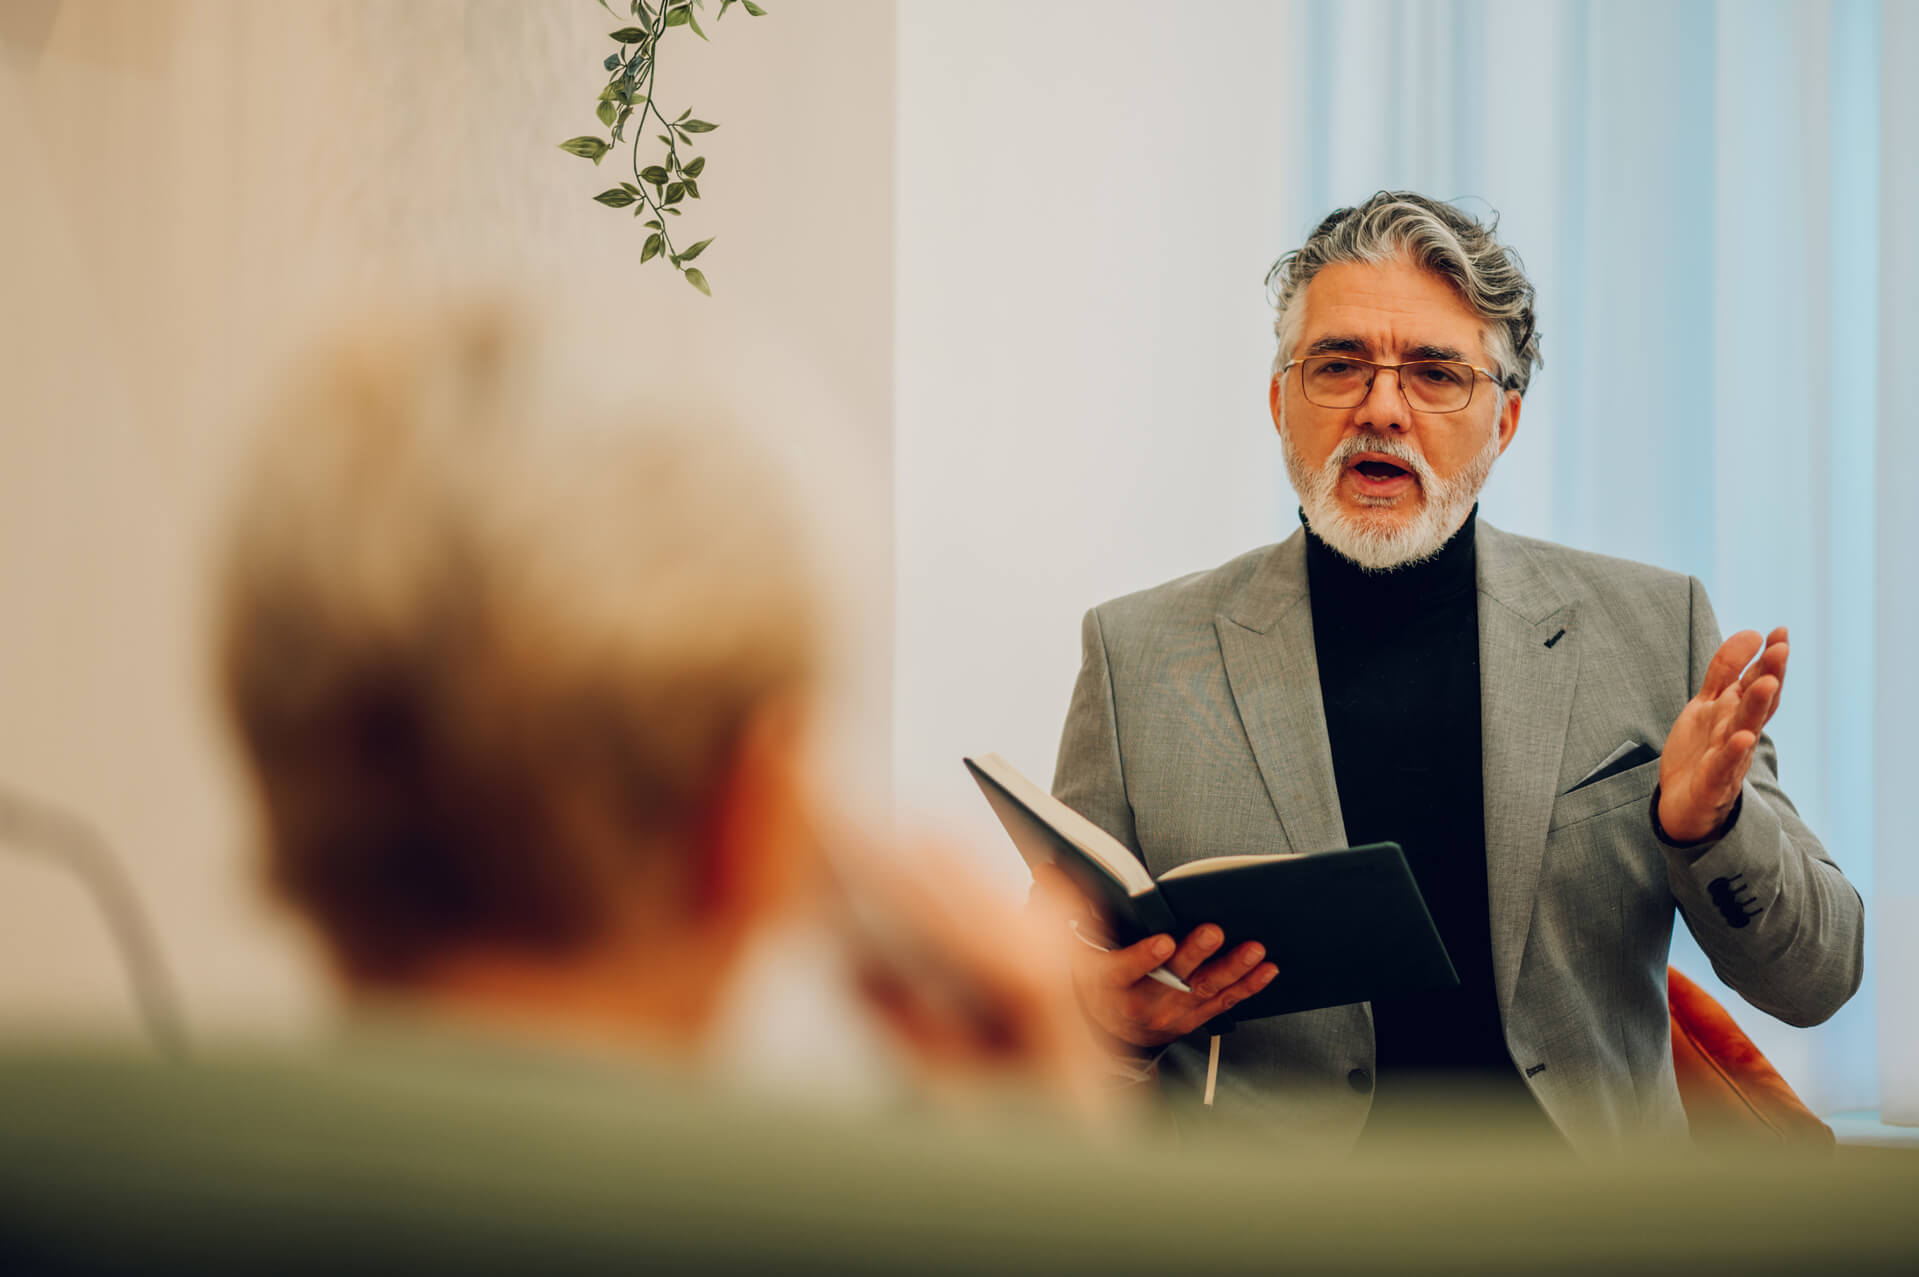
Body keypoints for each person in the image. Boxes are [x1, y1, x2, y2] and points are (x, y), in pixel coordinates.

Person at [1045, 191, 1865, 1154]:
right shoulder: (1136, 655)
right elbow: (1048, 989)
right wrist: (1105, 1023)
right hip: (1271, 1232)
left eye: (1436, 373)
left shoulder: (1653, 628)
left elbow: (1819, 978)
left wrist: (1710, 827)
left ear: (1504, 420)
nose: (1381, 408)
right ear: (1279, 401)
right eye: (1338, 364)